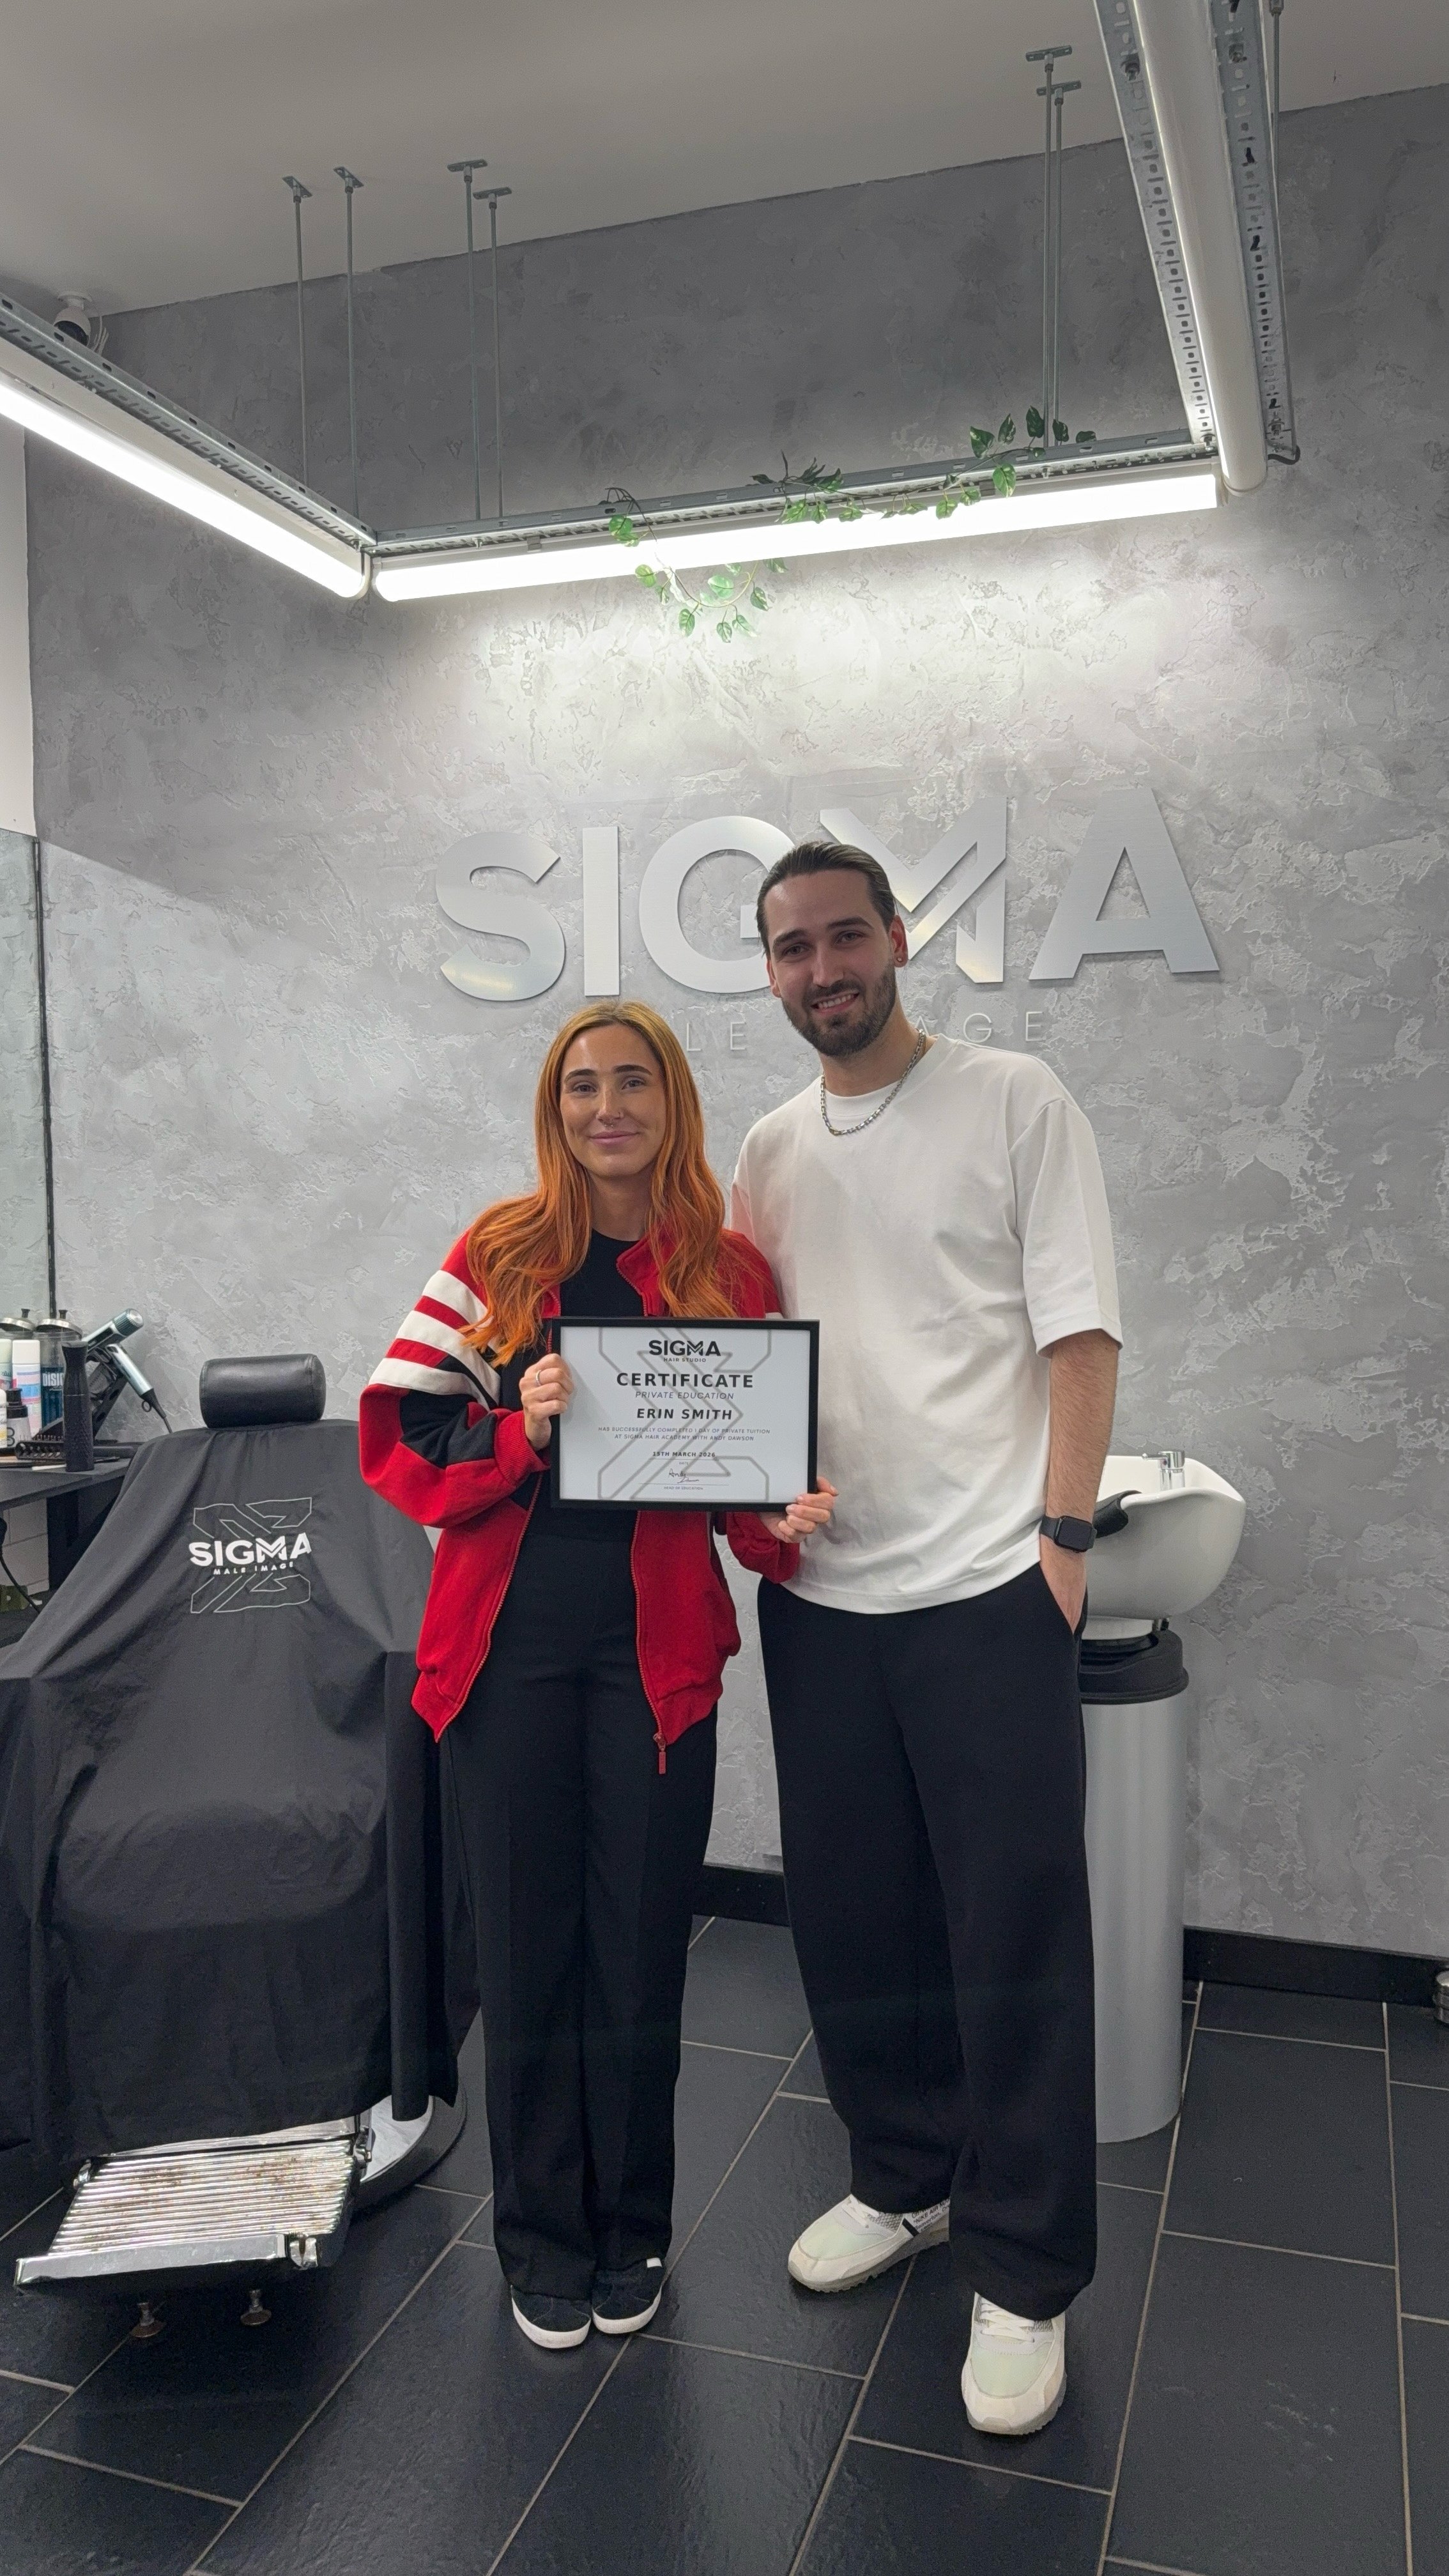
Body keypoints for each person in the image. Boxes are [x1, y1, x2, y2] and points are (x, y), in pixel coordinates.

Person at [361, 1000, 832, 2352]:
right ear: (554, 1107)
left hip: (658, 1664)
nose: (607, 1106)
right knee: (528, 1953)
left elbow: (741, 1485)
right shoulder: (497, 1255)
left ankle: (632, 2231)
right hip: (506, 1663)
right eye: (582, 1085)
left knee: (636, 1954)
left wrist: (778, 1522)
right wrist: (519, 1427)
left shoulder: (730, 1271)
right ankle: (540, 2239)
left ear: (671, 1101)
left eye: (634, 1082)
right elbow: (404, 1438)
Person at [730, 841, 1120, 2439]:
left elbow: (1081, 1333)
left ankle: (1024, 2275)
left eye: (844, 936)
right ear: (769, 974)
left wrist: (1067, 1543)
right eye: (790, 949)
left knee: (1014, 1939)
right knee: (853, 1925)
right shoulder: (763, 1149)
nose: (822, 968)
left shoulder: (1018, 1099)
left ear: (898, 939)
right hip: (823, 1607)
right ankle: (903, 2181)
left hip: (986, 1591)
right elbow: (737, 1357)